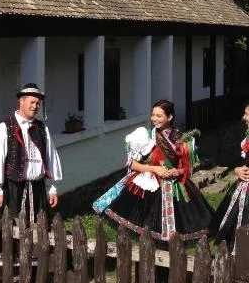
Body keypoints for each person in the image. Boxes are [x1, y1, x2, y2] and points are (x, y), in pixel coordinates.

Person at [93, 99, 212, 244]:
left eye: (159, 116)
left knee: (175, 231)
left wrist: (178, 171)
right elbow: (132, 164)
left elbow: (187, 167)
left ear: (170, 117)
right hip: (149, 187)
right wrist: (154, 169)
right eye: (153, 115)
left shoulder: (182, 138)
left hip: (175, 187)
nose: (154, 119)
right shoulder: (146, 137)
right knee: (149, 227)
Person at [0, 82, 62, 223]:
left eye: (38, 103)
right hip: (13, 189)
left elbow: (51, 157)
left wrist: (52, 188)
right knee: (13, 229)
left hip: (38, 188)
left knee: (39, 229)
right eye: (32, 102)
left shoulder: (42, 128)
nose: (35, 106)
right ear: (21, 100)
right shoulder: (5, 127)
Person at [210, 102, 249, 253]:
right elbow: (242, 160)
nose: (243, 117)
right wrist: (238, 169)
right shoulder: (247, 136)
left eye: (246, 114)